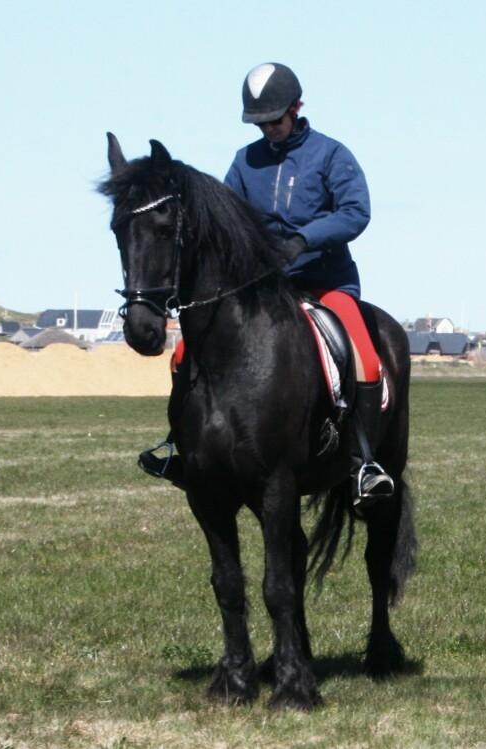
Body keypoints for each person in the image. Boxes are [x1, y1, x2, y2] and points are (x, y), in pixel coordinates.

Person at [139, 62, 394, 504]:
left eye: (275, 120)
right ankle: (179, 446)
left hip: (322, 283)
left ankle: (363, 463)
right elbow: (223, 220)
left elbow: (356, 212)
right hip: (259, 287)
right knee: (184, 353)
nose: (269, 129)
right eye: (260, 123)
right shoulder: (244, 161)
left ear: (297, 107)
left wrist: (302, 240)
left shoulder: (332, 155)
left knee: (366, 358)